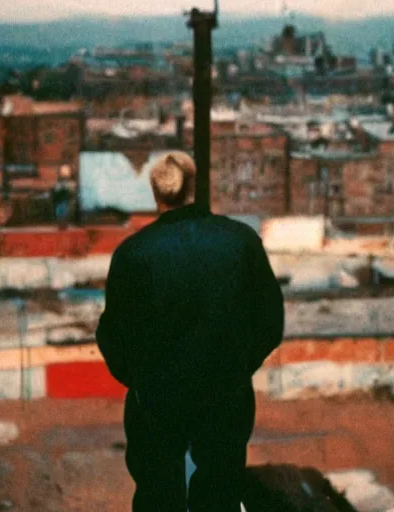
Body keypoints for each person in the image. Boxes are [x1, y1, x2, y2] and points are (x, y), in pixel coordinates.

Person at [96, 150, 284, 512]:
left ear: (156, 193)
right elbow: (270, 322)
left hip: (158, 401)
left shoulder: (134, 254)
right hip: (225, 395)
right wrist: (237, 368)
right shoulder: (241, 240)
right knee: (218, 494)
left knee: (157, 496)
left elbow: (113, 337)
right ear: (194, 187)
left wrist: (143, 382)